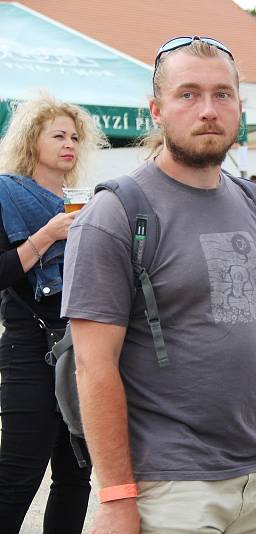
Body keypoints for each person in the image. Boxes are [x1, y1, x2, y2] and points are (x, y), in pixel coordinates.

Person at [61, 37, 256, 533]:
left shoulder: (252, 201)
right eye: (188, 94)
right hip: (172, 485)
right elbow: (93, 365)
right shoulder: (116, 214)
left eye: (222, 94)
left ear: (239, 105)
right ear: (157, 110)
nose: (208, 110)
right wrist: (117, 496)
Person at [0, 95, 104, 533]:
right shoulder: (6, 192)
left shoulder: (88, 199)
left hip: (83, 344)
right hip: (30, 348)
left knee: (76, 474)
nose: (70, 145)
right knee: (18, 473)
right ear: (31, 139)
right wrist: (48, 234)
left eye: (75, 137)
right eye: (58, 135)